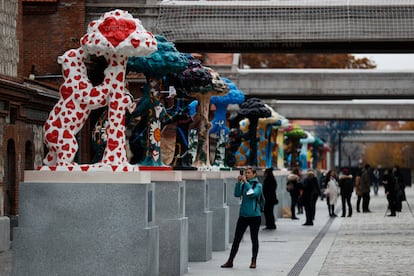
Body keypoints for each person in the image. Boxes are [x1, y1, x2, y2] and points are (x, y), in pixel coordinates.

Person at [221, 167, 263, 269]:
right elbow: (237, 194)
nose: (246, 175)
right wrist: (239, 183)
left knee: (254, 239)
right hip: (243, 216)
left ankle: (254, 261)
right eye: (245, 173)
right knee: (237, 239)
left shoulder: (258, 185)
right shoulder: (244, 184)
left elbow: (252, 194)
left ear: (254, 174)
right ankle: (230, 260)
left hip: (255, 216)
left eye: (248, 173)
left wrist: (245, 183)